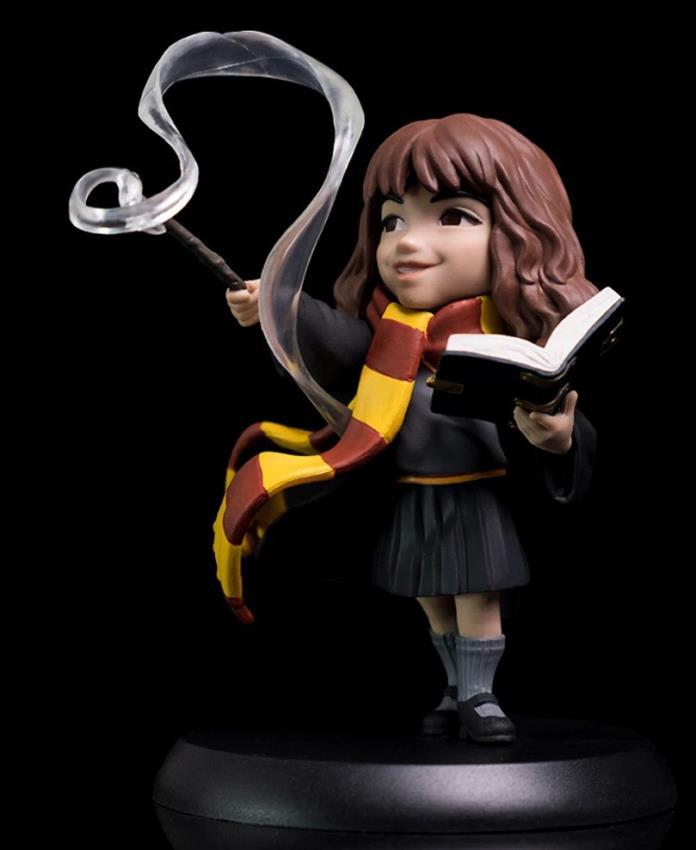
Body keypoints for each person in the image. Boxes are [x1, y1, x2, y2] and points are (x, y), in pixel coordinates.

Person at [224, 114, 598, 744]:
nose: (405, 243)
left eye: (453, 216)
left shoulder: (505, 336)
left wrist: (558, 440)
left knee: (476, 593)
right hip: (409, 490)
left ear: (519, 231)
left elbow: (565, 427)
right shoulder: (389, 333)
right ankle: (453, 687)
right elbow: (334, 340)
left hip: (475, 492)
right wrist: (277, 305)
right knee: (431, 595)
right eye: (393, 221)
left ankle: (480, 692)